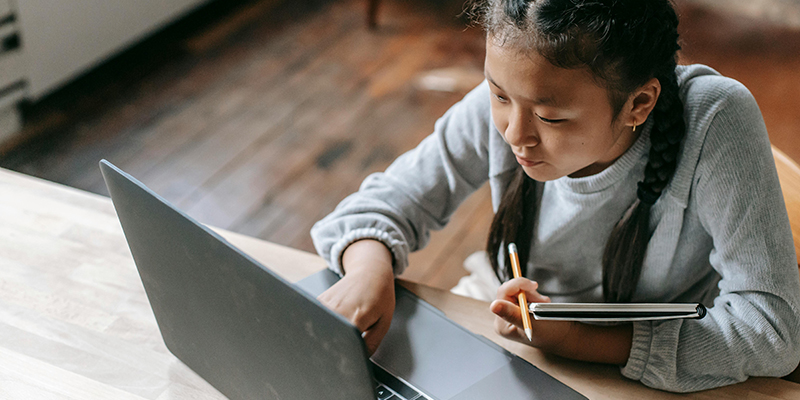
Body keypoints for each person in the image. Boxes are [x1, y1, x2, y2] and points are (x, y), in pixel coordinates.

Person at [309, 0, 800, 392]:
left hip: (655, 365)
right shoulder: (512, 92)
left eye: (551, 118)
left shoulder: (715, 119)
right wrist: (367, 271)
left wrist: (573, 339)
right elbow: (383, 203)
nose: (514, 135)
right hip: (504, 328)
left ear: (639, 103)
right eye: (498, 96)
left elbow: (773, 330)